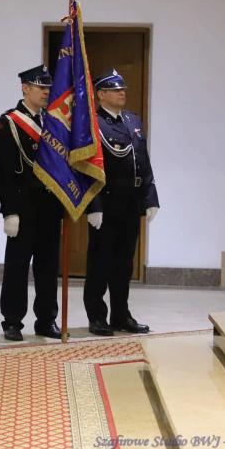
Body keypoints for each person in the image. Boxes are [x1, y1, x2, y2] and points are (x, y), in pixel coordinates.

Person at [84, 69, 160, 336]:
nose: (122, 93)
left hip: (130, 203)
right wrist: (93, 206)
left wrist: (151, 198)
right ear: (101, 94)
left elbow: (143, 161)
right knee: (100, 263)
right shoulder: (93, 124)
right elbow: (86, 168)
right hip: (106, 203)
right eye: (116, 90)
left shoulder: (132, 120)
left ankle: (120, 314)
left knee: (124, 265)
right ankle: (96, 316)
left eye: (123, 89)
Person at [0, 65, 63, 341]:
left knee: (48, 266)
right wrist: (9, 210)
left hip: (49, 206)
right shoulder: (10, 122)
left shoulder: (53, 122)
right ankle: (12, 321)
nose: (46, 92)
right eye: (40, 87)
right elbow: (5, 172)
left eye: (48, 88)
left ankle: (46, 319)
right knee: (17, 266)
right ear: (25, 88)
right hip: (23, 206)